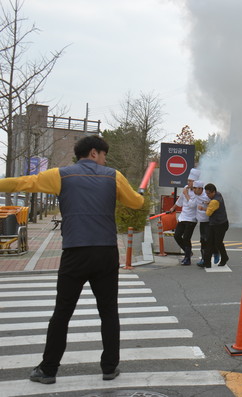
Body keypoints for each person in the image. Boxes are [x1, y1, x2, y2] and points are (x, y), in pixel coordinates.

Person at [0, 136, 144, 384]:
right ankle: (109, 367)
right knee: (109, 311)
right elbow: (135, 203)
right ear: (94, 152)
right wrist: (140, 193)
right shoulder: (113, 176)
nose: (105, 159)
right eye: (104, 154)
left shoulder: (61, 175)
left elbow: (25, 183)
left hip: (75, 252)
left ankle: (48, 370)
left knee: (62, 312)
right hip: (106, 252)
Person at [168, 169, 200, 265]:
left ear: (195, 182)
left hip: (192, 218)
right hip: (183, 216)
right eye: (188, 181)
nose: (188, 183)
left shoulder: (197, 191)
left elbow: (192, 205)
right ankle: (188, 252)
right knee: (177, 235)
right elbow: (180, 200)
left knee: (186, 238)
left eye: (190, 181)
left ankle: (187, 258)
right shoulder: (186, 188)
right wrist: (173, 207)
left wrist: (186, 194)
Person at [198, 183, 229, 268]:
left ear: (213, 192)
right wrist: (209, 203)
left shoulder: (214, 201)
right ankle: (207, 262)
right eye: (206, 193)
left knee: (218, 243)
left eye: (208, 193)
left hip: (220, 224)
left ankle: (224, 258)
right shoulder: (218, 194)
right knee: (209, 242)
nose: (207, 195)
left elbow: (208, 213)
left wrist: (203, 207)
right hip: (214, 224)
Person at [192, 180, 219, 266]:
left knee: (208, 240)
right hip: (202, 222)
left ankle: (215, 252)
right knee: (202, 240)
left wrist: (208, 204)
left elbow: (215, 203)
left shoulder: (207, 196)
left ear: (200, 189)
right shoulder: (195, 195)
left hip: (209, 222)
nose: (193, 190)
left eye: (195, 188)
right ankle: (203, 258)